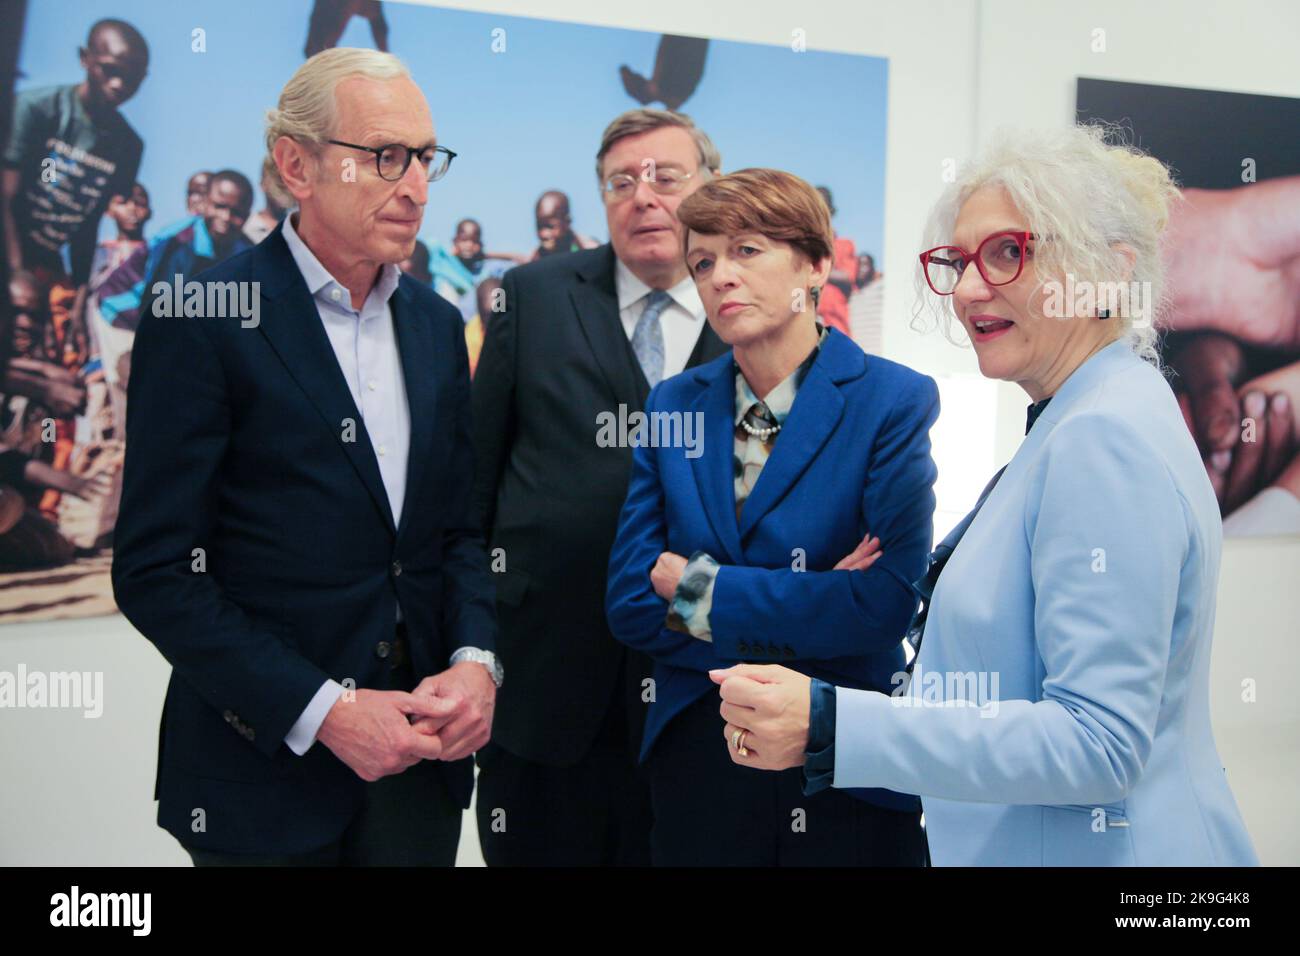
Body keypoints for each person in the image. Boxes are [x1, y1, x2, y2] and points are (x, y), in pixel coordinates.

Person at [714, 125, 1260, 866]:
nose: (969, 289)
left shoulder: (1101, 439)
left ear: (1110, 272)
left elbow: (1097, 744)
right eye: (960, 260)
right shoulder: (1080, 419)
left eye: (1009, 252)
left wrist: (832, 722)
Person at [111, 47, 499, 866]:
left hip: (417, 780)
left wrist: (474, 662)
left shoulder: (434, 327)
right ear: (298, 165)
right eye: (386, 156)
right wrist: (321, 711)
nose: (417, 187)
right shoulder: (203, 316)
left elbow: (459, 534)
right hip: (259, 786)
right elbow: (155, 571)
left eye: (427, 158)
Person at [604, 168, 937, 865]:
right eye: (703, 261)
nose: (720, 275)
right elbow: (632, 603)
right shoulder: (671, 406)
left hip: (842, 762)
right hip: (700, 757)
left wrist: (702, 587)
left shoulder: (893, 402)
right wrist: (818, 596)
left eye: (747, 250)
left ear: (816, 265)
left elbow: (882, 607)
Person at [471, 107, 728, 865]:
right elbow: (473, 486)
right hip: (544, 689)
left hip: (703, 690)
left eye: (666, 177)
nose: (642, 196)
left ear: (710, 189)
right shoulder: (533, 296)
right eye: (621, 181)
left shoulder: (751, 307)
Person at [2, 18, 148, 288]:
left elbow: (88, 223)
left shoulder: (128, 146)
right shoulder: (36, 109)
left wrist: (81, 294)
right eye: (110, 70)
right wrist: (16, 272)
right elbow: (5, 197)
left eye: (131, 79)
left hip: (45, 264)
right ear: (85, 58)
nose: (119, 85)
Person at [813, 186, 856, 338]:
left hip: (835, 320)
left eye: (822, 206)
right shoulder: (800, 246)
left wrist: (812, 271)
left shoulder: (844, 244)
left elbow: (847, 277)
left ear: (831, 210)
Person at [529, 190, 599, 260]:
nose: (543, 234)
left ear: (567, 222)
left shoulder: (592, 254)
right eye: (539, 226)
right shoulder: (534, 261)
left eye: (550, 226)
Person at [243, 157, 293, 245]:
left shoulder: (301, 229)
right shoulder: (245, 227)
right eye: (278, 180)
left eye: (289, 180)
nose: (284, 186)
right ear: (263, 185)